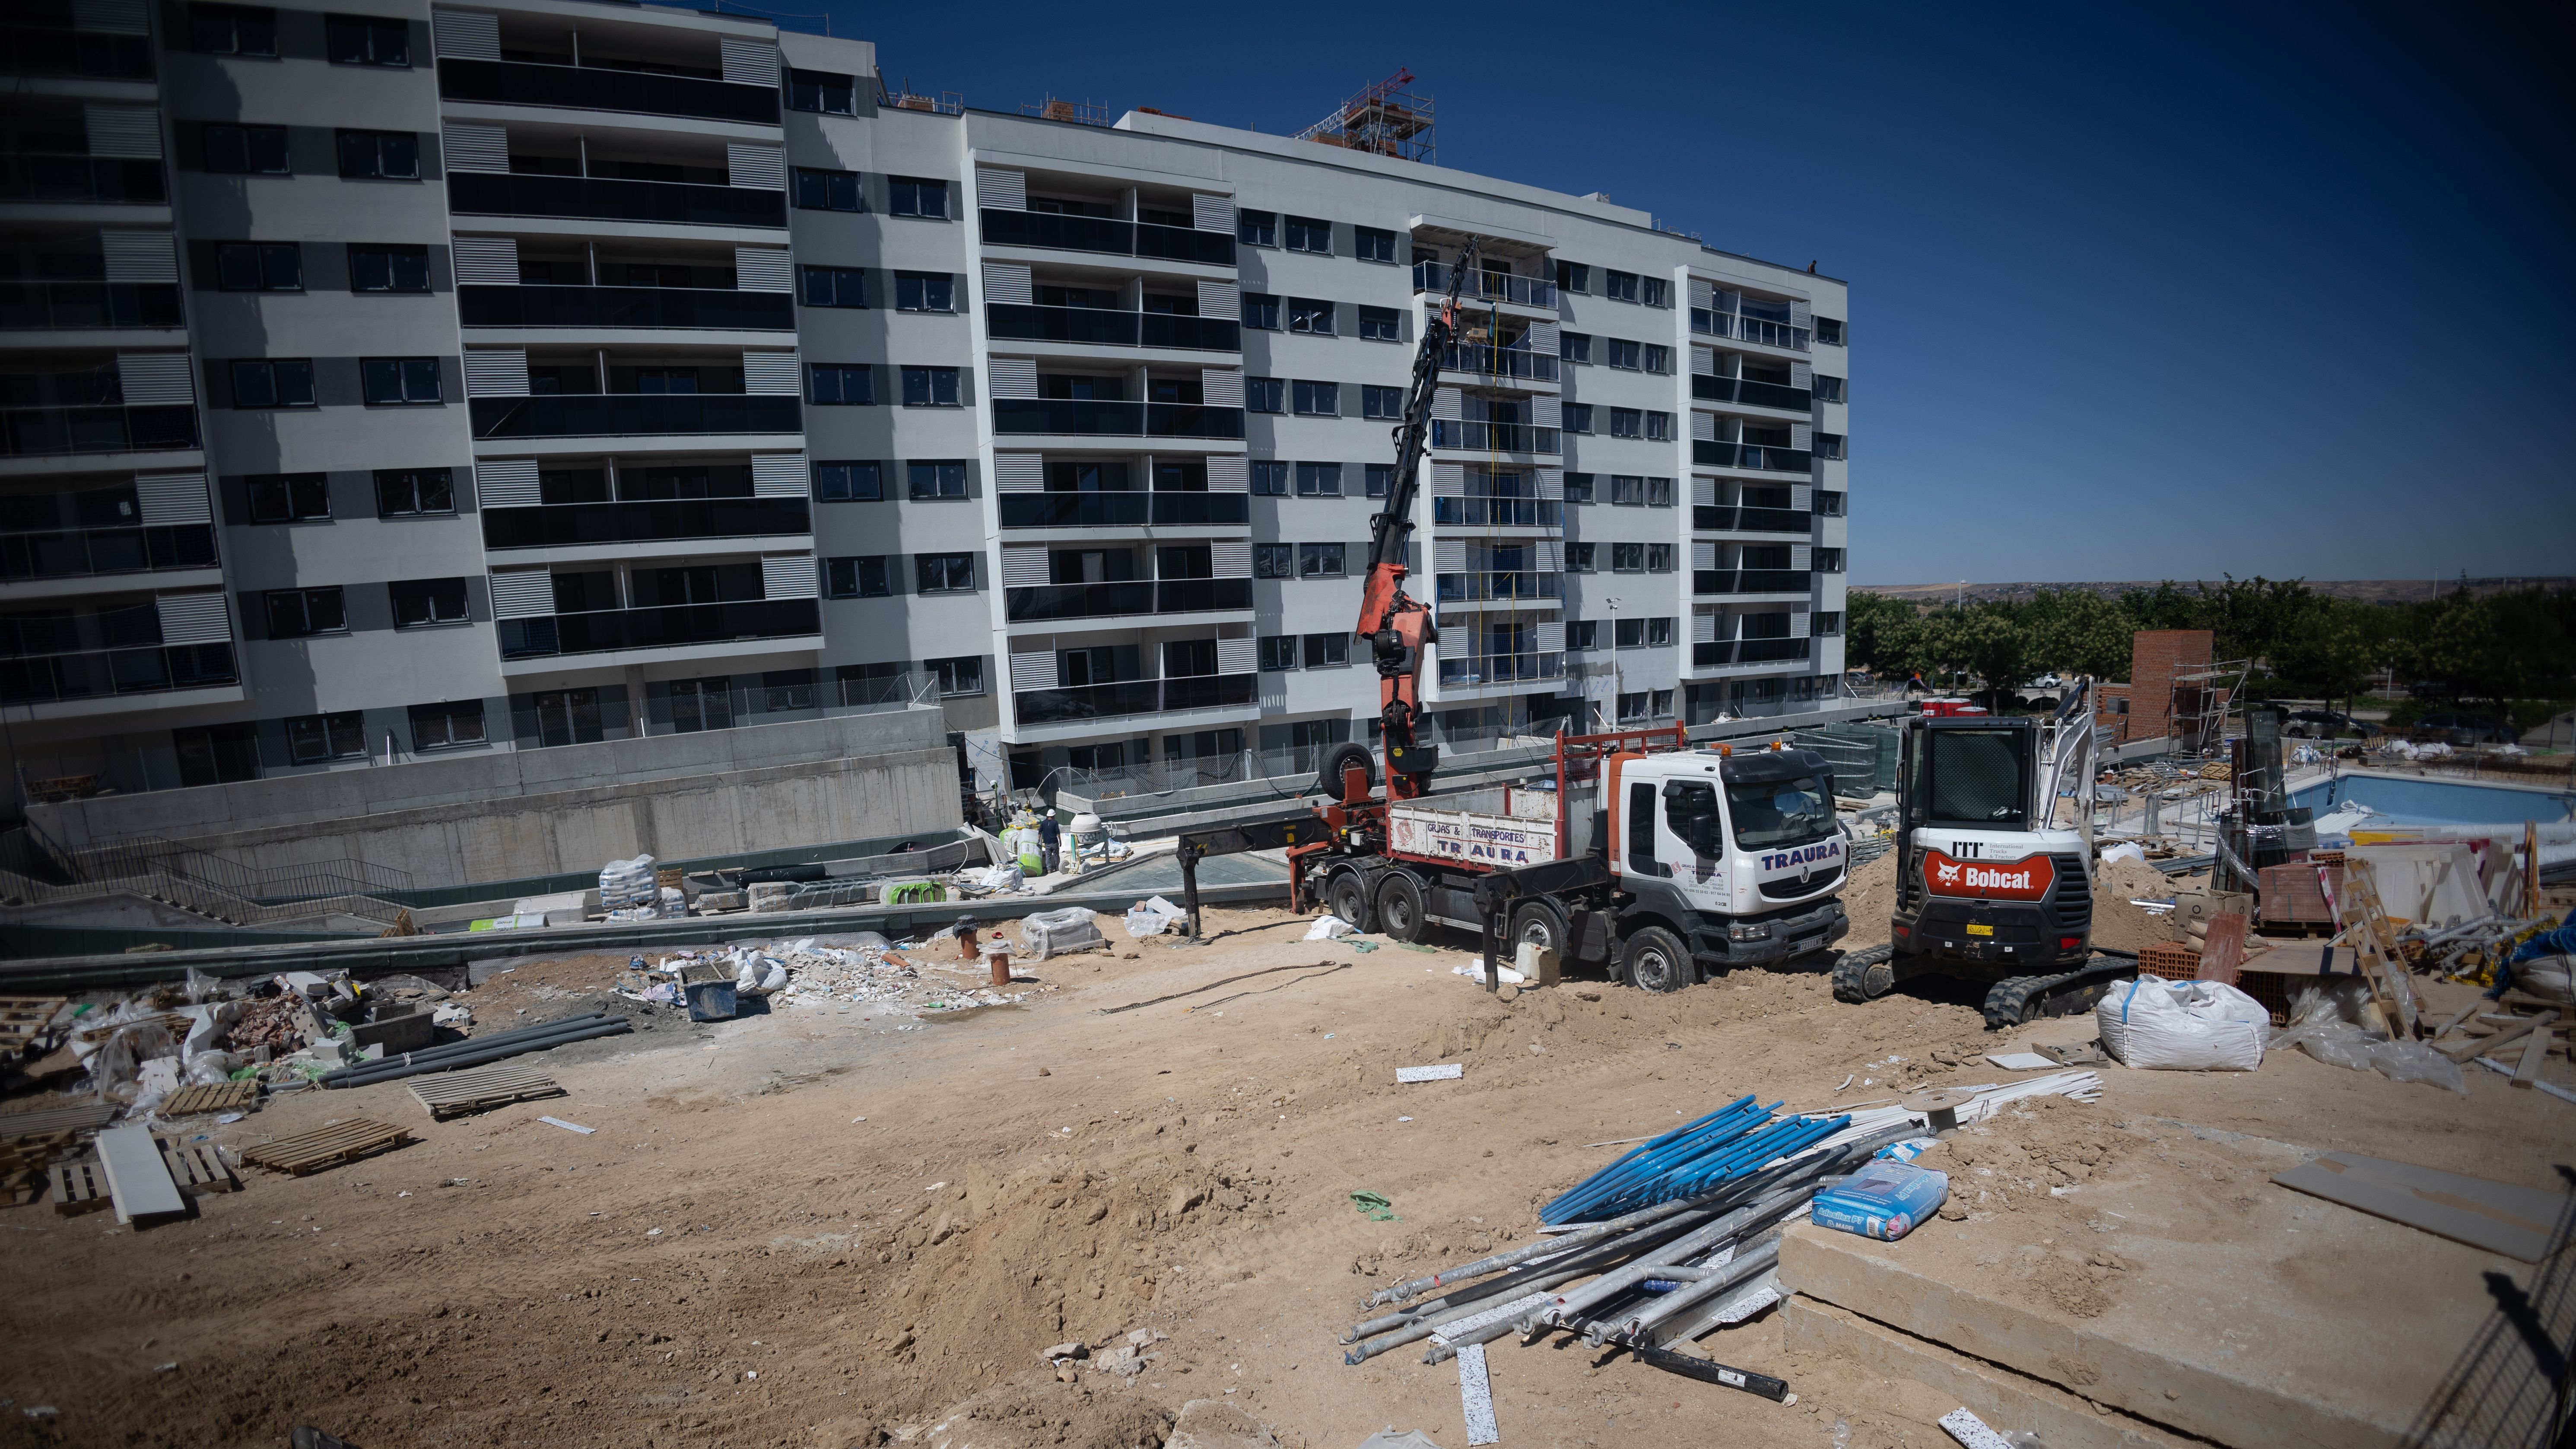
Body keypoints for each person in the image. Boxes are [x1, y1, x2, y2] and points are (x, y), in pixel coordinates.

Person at [1039, 811, 1062, 876]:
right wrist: (1060, 841)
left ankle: (1049, 870)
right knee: (1056, 855)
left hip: (1047, 843)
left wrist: (1038, 840)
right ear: (1053, 816)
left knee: (1048, 856)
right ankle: (1058, 868)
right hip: (1055, 842)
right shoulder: (1055, 823)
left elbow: (1040, 832)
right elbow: (1058, 833)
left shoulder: (1043, 823)